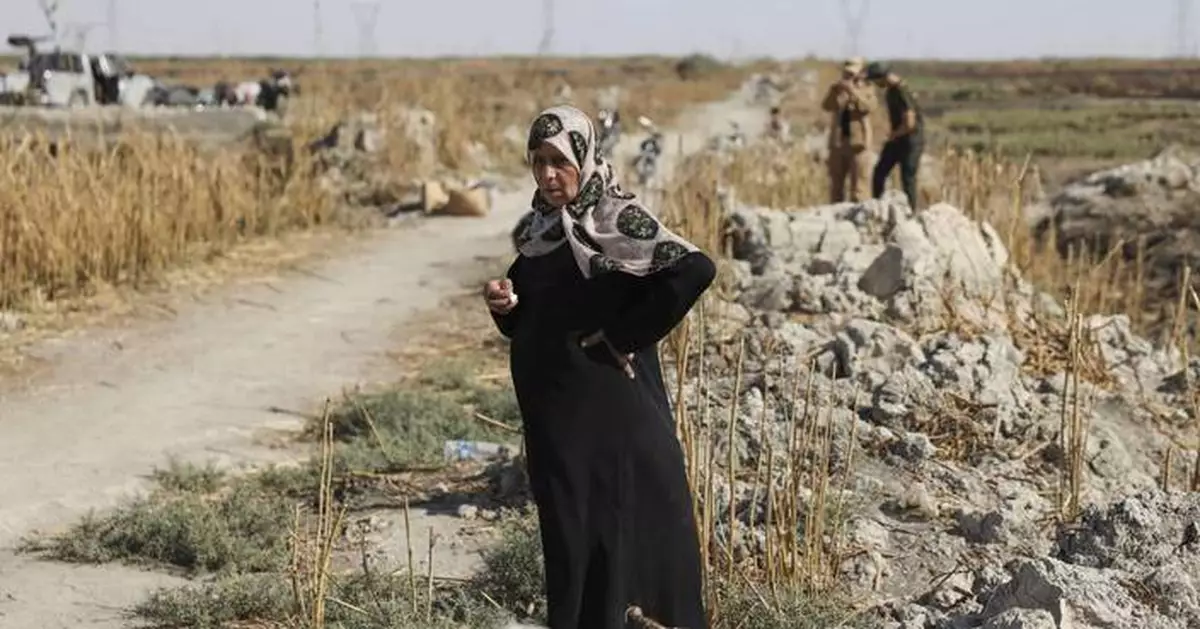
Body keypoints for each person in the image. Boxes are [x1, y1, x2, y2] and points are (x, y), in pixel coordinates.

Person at [486, 104, 714, 629]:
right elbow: (540, 313)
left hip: (612, 431)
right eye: (538, 161)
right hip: (561, 435)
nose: (547, 174)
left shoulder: (615, 219)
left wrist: (621, 338)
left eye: (559, 161)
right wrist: (507, 306)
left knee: (622, 554)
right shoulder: (542, 228)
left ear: (585, 158)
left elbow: (695, 269)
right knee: (576, 554)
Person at [865, 62, 925, 211]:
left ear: (882, 78)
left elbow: (909, 122)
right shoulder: (892, 91)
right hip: (899, 139)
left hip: (910, 141)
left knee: (908, 179)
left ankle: (912, 211)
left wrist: (894, 134)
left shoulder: (901, 91)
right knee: (879, 173)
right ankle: (877, 207)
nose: (876, 85)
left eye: (875, 81)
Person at [821, 57, 877, 203]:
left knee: (859, 187)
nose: (849, 76)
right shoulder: (837, 89)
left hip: (860, 143)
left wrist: (853, 91)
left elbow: (868, 107)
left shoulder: (867, 88)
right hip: (839, 142)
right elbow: (827, 106)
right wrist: (836, 92)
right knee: (836, 186)